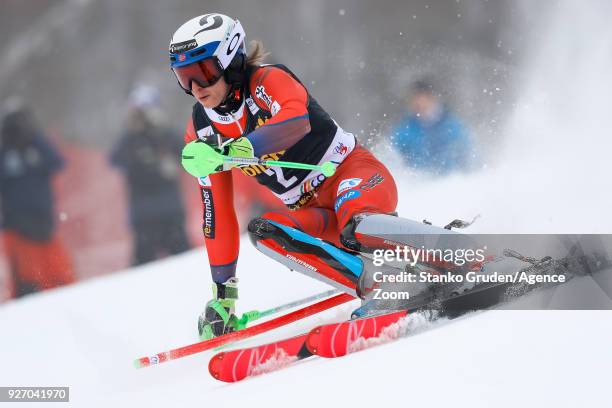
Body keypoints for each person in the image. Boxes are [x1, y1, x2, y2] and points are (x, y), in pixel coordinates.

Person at [170, 13, 398, 339]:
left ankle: (401, 265)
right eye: (183, 77)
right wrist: (223, 296)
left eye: (202, 73)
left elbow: (295, 122)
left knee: (356, 225)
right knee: (265, 230)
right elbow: (217, 214)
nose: (195, 88)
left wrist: (239, 149)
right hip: (316, 214)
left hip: (356, 177)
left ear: (231, 60)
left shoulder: (267, 81)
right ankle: (373, 285)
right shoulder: (202, 131)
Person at [0, 103, 74, 298]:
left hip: (43, 223)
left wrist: (34, 137)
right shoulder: (4, 152)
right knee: (27, 282)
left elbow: (57, 162)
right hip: (17, 227)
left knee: (58, 276)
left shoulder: (37, 145)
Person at [110, 85, 190, 266]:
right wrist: (132, 133)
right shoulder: (130, 138)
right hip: (144, 216)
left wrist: (161, 131)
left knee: (186, 265)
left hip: (170, 211)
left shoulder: (166, 134)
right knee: (142, 273)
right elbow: (114, 159)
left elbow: (185, 153)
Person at [391, 79, 475, 175]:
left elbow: (470, 155)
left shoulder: (451, 126)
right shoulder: (405, 130)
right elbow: (392, 155)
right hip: (419, 183)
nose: (417, 103)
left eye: (421, 98)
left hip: (450, 181)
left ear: (432, 98)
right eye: (413, 99)